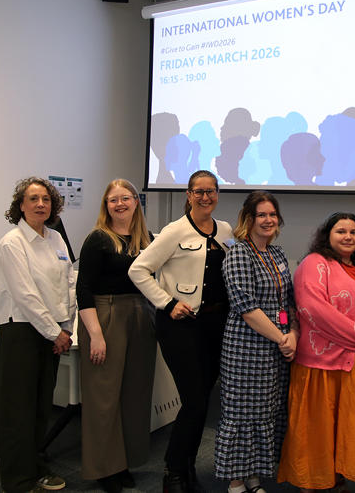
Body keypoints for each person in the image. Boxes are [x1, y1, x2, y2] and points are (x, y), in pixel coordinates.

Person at [128, 169, 233, 493]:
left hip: (215, 326)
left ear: (217, 194)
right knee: (194, 400)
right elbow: (139, 270)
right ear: (188, 195)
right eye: (198, 191)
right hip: (181, 326)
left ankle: (187, 464)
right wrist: (167, 302)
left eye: (211, 191)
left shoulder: (226, 229)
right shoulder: (174, 231)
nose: (205, 197)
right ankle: (173, 470)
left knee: (201, 398)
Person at [277, 212, 355, 492]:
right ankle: (312, 482)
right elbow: (315, 312)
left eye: (353, 232)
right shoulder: (314, 264)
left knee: (346, 427)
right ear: (327, 234)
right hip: (322, 363)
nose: (348, 237)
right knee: (318, 428)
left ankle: (336, 477)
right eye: (341, 231)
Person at [0, 176, 76, 493]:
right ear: (21, 206)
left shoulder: (55, 239)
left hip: (52, 331)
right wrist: (56, 332)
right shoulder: (12, 243)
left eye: (46, 200)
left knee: (41, 406)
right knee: (17, 410)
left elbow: (68, 284)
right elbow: (26, 296)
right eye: (33, 199)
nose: (41, 204)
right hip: (21, 333)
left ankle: (37, 467)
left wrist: (66, 328)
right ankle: (17, 480)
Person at [216, 191, 299, 493]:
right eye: (261, 215)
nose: (268, 220)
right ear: (249, 219)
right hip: (245, 349)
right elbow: (247, 307)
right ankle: (236, 482)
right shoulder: (239, 253)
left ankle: (253, 476)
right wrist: (282, 338)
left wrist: (292, 335)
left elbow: (287, 301)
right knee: (242, 414)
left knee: (266, 413)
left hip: (275, 350)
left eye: (272, 215)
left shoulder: (276, 254)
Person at [76, 180, 155, 492]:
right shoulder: (98, 239)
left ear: (136, 202)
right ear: (105, 205)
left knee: (134, 394)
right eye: (113, 200)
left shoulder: (146, 240)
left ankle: (124, 462)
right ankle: (104, 468)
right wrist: (95, 335)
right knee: (103, 397)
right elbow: (84, 289)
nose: (120, 204)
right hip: (105, 315)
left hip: (139, 315)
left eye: (125, 198)